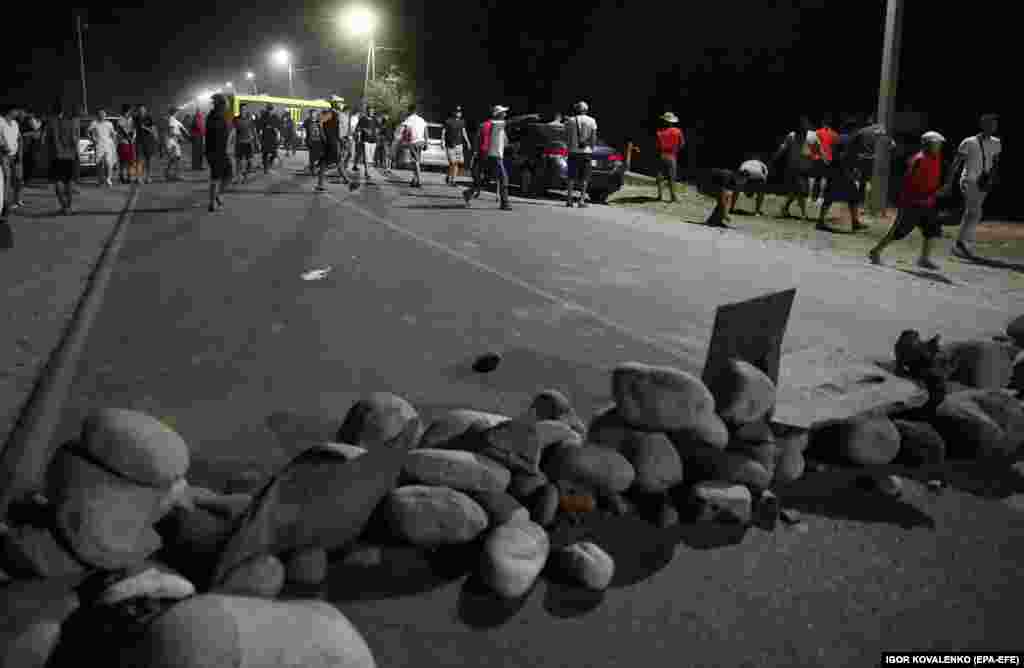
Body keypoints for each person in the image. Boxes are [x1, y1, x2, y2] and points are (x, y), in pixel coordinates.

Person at [868, 132, 947, 270]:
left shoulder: (937, 157)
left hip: (928, 202)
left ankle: (924, 259)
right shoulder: (919, 160)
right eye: (936, 143)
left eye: (939, 143)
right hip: (912, 203)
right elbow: (910, 183)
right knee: (899, 231)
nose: (939, 146)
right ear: (927, 144)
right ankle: (875, 251)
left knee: (932, 229)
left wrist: (934, 193)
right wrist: (927, 194)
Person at [949, 113, 1001, 259]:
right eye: (991, 124)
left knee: (971, 213)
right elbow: (956, 162)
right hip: (968, 181)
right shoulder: (969, 142)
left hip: (983, 183)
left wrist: (991, 179)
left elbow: (995, 162)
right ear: (983, 125)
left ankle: (960, 242)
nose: (994, 126)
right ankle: (964, 243)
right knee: (975, 212)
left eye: (995, 124)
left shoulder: (996, 142)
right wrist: (948, 182)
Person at [816, 119, 867, 233]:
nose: (858, 131)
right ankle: (854, 223)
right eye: (857, 129)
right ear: (852, 129)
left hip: (836, 170)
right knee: (850, 197)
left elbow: (841, 154)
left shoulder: (841, 138)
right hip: (841, 171)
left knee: (837, 197)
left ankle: (854, 222)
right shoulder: (848, 139)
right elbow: (844, 156)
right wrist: (849, 169)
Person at [773, 116, 821, 220]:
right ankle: (803, 213)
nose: (801, 128)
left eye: (804, 125)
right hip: (793, 168)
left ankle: (784, 208)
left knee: (796, 191)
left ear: (807, 125)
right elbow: (784, 146)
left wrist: (818, 160)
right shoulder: (792, 135)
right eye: (800, 125)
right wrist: (776, 156)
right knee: (801, 190)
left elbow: (818, 150)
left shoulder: (813, 136)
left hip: (806, 167)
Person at [463, 105, 510, 209]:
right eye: (503, 112)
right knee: (504, 178)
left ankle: (469, 192)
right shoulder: (490, 125)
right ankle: (505, 203)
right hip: (492, 155)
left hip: (495, 155)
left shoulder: (499, 126)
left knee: (487, 180)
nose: (505, 114)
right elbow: (478, 140)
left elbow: (505, 142)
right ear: (498, 114)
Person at [43, 99, 79, 214]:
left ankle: (63, 206)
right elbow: (75, 139)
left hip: (56, 156)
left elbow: (45, 141)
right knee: (69, 181)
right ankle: (68, 207)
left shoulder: (50, 122)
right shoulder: (71, 122)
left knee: (58, 181)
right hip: (70, 156)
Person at [204, 93, 234, 212]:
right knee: (218, 177)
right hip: (216, 151)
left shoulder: (217, 116)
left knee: (226, 176)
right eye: (226, 103)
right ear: (221, 104)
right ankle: (213, 201)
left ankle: (217, 197)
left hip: (218, 151)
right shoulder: (215, 116)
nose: (227, 105)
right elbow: (217, 135)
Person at [565, 101, 598, 207]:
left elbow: (567, 137)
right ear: (586, 110)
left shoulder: (570, 121)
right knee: (584, 178)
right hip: (586, 153)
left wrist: (569, 147)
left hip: (573, 152)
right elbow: (593, 138)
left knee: (571, 177)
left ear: (576, 110)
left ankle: (569, 200)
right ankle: (581, 201)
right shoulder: (592, 121)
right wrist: (591, 148)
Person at [316, 96, 351, 192]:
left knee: (325, 163)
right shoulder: (331, 113)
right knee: (338, 162)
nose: (341, 104)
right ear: (335, 103)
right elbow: (320, 123)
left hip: (333, 140)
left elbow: (337, 129)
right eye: (339, 103)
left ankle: (320, 184)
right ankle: (348, 182)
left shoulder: (335, 113)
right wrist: (323, 136)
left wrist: (341, 139)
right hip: (332, 141)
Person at [654, 111, 684, 203]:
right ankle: (673, 197)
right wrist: (676, 150)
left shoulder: (659, 132)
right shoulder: (678, 131)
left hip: (661, 155)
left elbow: (657, 146)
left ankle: (660, 195)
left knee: (660, 176)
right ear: (672, 122)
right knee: (672, 177)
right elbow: (682, 144)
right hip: (672, 156)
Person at [395, 103, 428, 188]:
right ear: (416, 111)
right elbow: (426, 130)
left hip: (413, 142)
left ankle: (419, 181)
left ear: (409, 111)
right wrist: (426, 142)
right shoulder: (421, 119)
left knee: (415, 162)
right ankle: (414, 180)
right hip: (421, 142)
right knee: (416, 161)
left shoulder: (409, 119)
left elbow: (404, 130)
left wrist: (400, 139)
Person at [1, 106, 24, 218]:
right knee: (7, 179)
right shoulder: (0, 121)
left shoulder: (15, 123)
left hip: (15, 155)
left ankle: (17, 200)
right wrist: (3, 146)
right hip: (4, 155)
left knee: (18, 178)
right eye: (16, 111)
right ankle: (5, 204)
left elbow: (19, 138)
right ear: (10, 111)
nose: (18, 113)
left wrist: (19, 152)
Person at [812, 114, 839, 204]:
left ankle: (811, 196)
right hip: (828, 158)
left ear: (823, 123)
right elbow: (835, 148)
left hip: (817, 157)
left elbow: (813, 145)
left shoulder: (817, 132)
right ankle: (820, 196)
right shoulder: (835, 134)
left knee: (814, 177)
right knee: (824, 178)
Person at [442, 106, 471, 186]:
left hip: (459, 145)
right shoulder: (448, 121)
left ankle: (453, 180)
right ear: (454, 112)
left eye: (460, 112)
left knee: (457, 163)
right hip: (450, 145)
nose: (459, 113)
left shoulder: (462, 122)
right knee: (452, 162)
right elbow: (444, 131)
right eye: (457, 112)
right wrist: (442, 141)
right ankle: (450, 177)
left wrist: (468, 142)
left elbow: (464, 132)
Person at [88, 108, 117, 187]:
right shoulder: (94, 123)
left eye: (103, 114)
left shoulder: (109, 124)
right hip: (99, 145)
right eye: (100, 114)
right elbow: (88, 132)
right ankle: (100, 180)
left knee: (108, 162)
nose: (102, 115)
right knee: (99, 163)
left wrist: (114, 143)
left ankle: (108, 179)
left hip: (108, 145)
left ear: (105, 115)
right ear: (98, 115)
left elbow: (113, 134)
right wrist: (93, 139)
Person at [163, 108, 189, 181]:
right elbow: (171, 132)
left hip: (173, 142)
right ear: (175, 112)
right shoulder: (171, 120)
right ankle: (176, 175)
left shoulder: (174, 120)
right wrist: (180, 137)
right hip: (172, 142)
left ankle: (168, 173)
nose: (179, 113)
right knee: (176, 159)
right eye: (178, 112)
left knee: (174, 159)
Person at [135, 105, 158, 184]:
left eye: (143, 110)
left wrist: (145, 127)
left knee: (148, 160)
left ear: (145, 110)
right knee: (139, 160)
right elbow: (133, 129)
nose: (141, 111)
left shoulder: (149, 118)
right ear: (138, 111)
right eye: (140, 110)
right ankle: (139, 177)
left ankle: (148, 177)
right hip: (139, 142)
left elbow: (153, 130)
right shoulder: (136, 118)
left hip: (148, 141)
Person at [233, 105, 256, 182]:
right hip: (239, 142)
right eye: (242, 109)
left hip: (248, 142)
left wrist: (256, 141)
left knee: (249, 160)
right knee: (238, 160)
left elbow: (253, 130)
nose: (243, 110)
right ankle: (238, 176)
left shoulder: (249, 119)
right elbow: (233, 131)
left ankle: (245, 174)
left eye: (245, 109)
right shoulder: (236, 119)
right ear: (239, 110)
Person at [356, 105, 379, 180]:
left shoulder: (375, 119)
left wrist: (377, 131)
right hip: (365, 140)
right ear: (367, 111)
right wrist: (365, 130)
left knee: (371, 158)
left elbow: (379, 127)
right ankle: (367, 172)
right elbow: (358, 128)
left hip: (373, 140)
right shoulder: (363, 119)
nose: (371, 112)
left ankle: (368, 171)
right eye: (369, 110)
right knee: (366, 156)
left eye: (372, 111)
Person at [116, 105, 137, 184]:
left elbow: (134, 129)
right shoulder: (120, 119)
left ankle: (129, 176)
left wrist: (133, 138)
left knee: (130, 161)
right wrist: (129, 138)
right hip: (123, 142)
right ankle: (122, 176)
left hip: (131, 142)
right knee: (123, 161)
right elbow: (122, 131)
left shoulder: (131, 119)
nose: (129, 112)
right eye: (129, 111)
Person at [303, 109, 324, 176]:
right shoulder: (307, 121)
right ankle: (312, 169)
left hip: (319, 140)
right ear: (309, 114)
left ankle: (315, 167)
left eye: (314, 113)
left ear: (316, 114)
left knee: (319, 156)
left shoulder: (319, 121)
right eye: (311, 113)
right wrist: (305, 139)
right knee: (312, 156)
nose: (312, 115)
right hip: (311, 141)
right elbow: (303, 129)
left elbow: (322, 130)